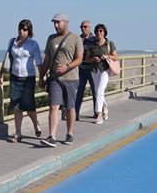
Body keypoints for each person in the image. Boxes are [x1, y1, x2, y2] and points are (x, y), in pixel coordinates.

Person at [39, 13, 83, 147]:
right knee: (53, 106)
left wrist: (67, 67)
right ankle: (51, 136)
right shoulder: (51, 39)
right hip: (55, 79)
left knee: (70, 107)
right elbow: (47, 60)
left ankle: (70, 134)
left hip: (71, 79)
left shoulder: (75, 38)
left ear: (66, 22)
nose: (56, 25)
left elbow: (79, 59)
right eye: (54, 23)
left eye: (58, 22)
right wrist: (41, 77)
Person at [0, 18, 43, 142]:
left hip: (28, 78)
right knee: (16, 106)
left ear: (29, 31)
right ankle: (18, 133)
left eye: (25, 29)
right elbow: (7, 57)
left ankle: (35, 123)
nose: (22, 31)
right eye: (20, 28)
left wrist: (42, 77)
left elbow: (39, 62)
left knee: (28, 106)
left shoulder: (33, 44)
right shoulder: (12, 41)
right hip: (15, 77)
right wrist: (0, 73)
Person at [82, 23, 117, 124]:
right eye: (97, 31)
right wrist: (93, 59)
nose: (99, 33)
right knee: (98, 92)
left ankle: (99, 114)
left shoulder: (109, 44)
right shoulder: (92, 45)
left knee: (99, 91)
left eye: (101, 31)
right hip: (94, 70)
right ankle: (104, 107)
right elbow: (87, 59)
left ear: (104, 32)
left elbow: (115, 57)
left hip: (104, 70)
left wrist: (107, 56)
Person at [74, 20, 96, 121]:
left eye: (85, 27)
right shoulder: (78, 39)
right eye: (82, 27)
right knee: (79, 92)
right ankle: (76, 114)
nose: (83, 29)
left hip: (92, 70)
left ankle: (97, 112)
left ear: (89, 28)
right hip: (81, 69)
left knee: (95, 92)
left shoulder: (94, 39)